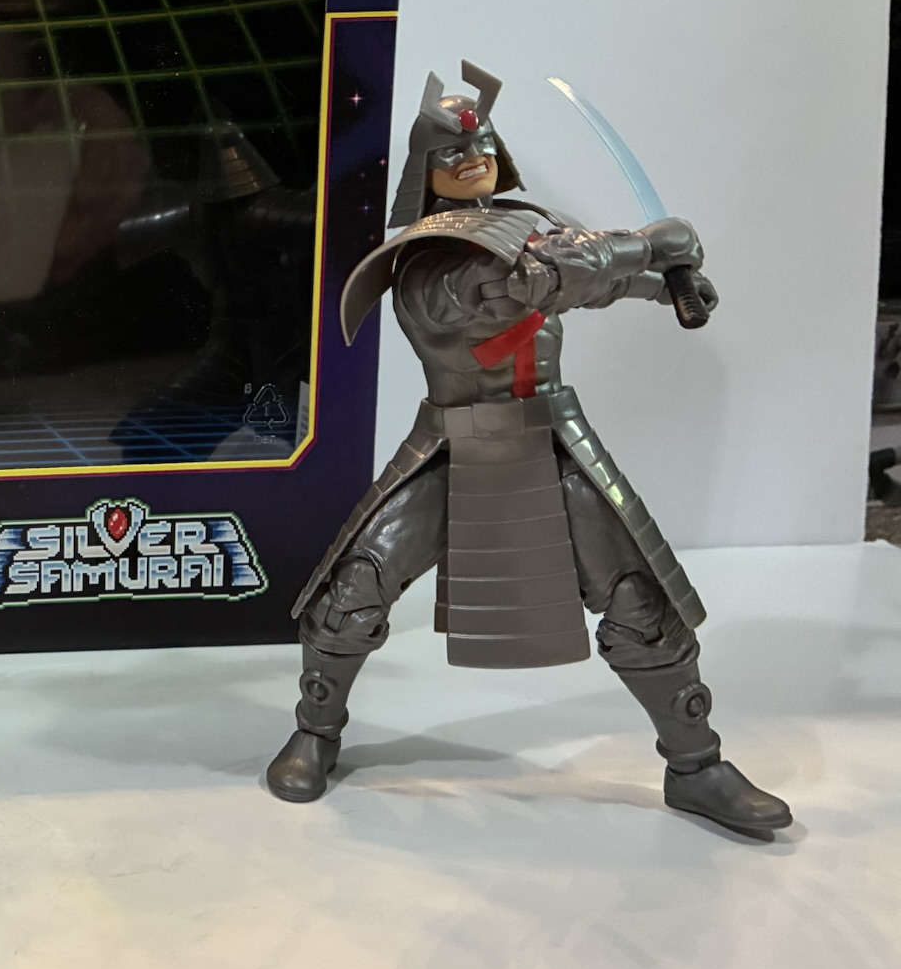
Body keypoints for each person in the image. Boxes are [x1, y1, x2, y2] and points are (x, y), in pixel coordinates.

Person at [265, 63, 790, 838]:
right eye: (452, 153)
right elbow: (538, 281)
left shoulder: (529, 225)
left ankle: (697, 766)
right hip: (451, 444)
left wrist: (665, 284)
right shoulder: (425, 259)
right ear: (425, 170)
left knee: (640, 601)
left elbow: (584, 279)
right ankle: (315, 732)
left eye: (481, 147)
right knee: (353, 591)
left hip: (550, 436)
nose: (471, 160)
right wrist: (651, 243)